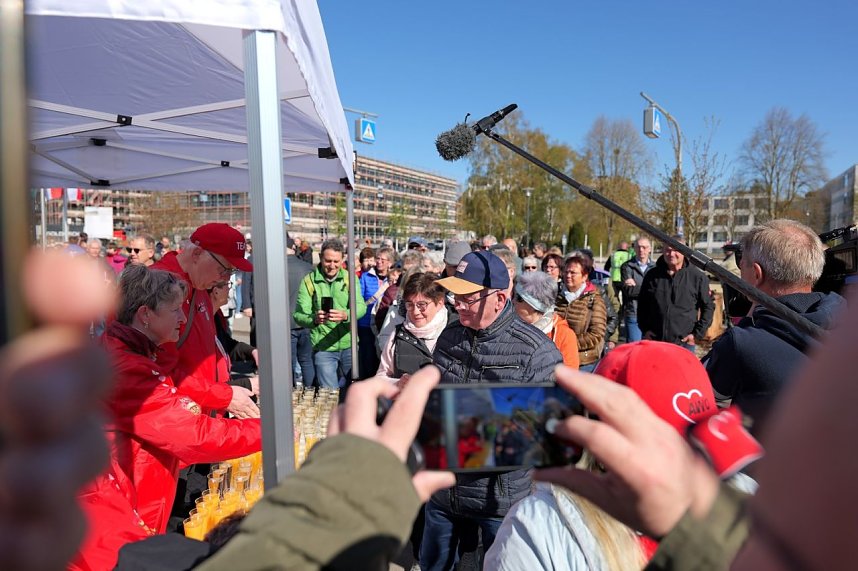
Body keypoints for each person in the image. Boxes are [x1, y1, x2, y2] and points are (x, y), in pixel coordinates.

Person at [72, 265, 261, 570]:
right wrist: (268, 430)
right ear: (145, 314)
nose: (183, 318)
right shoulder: (128, 366)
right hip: (128, 502)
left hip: (134, 493)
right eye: (175, 310)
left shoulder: (130, 353)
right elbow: (192, 434)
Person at [423, 250, 563, 570]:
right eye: (453, 296)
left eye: (466, 298)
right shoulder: (449, 337)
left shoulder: (536, 353)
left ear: (499, 299)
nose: (455, 305)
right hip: (444, 493)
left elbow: (540, 436)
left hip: (497, 503)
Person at [704, 219, 846, 436]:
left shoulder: (741, 343)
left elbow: (693, 397)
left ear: (757, 274)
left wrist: (749, 319)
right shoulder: (847, 326)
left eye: (743, 263)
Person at [374, 272, 458, 565]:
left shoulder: (457, 332)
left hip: (447, 428)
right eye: (409, 305)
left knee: (440, 502)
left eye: (423, 305)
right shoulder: (398, 334)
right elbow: (382, 375)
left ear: (439, 302)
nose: (415, 312)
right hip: (408, 429)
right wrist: (397, 385)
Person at [151, 223, 259, 419]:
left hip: (204, 414)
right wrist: (224, 396)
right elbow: (160, 372)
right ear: (197, 254)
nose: (225, 278)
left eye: (231, 272)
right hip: (176, 418)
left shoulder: (199, 286)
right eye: (224, 269)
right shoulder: (158, 288)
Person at [293, 238, 367, 388]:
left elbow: (361, 306)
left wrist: (346, 315)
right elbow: (299, 315)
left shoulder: (349, 278)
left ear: (342, 260)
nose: (332, 266)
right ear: (320, 257)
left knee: (353, 392)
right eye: (328, 261)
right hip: (323, 348)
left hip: (349, 345)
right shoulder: (309, 281)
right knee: (330, 395)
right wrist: (314, 319)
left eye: (336, 261)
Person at [638, 238, 714, 351]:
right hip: (655, 342)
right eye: (667, 250)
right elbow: (642, 305)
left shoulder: (697, 277)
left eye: (676, 250)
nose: (671, 254)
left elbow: (708, 307)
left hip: (684, 343)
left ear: (684, 252)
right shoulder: (652, 276)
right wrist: (645, 329)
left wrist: (696, 334)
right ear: (663, 251)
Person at [513, 271, 579, 369]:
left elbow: (570, 375)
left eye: (518, 298)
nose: (513, 301)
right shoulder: (509, 327)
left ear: (534, 305)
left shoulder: (564, 335)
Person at [554, 253, 608, 372]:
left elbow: (596, 334)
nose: (568, 276)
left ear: (584, 276)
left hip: (583, 362)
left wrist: (569, 344)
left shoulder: (594, 300)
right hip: (557, 358)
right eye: (566, 272)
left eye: (573, 273)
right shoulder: (558, 297)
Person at [358, 246, 392, 379]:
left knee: (383, 356)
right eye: (377, 258)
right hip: (366, 323)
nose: (379, 262)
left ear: (390, 262)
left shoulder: (393, 279)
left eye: (383, 260)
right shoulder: (366, 277)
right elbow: (359, 298)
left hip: (384, 324)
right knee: (368, 355)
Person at [619, 237, 654, 342]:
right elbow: (629, 291)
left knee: (651, 351)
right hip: (633, 313)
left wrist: (637, 286)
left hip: (652, 315)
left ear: (650, 249)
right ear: (634, 248)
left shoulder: (656, 267)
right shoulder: (627, 267)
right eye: (638, 247)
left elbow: (659, 292)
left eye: (644, 247)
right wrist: (650, 288)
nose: (641, 250)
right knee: (634, 349)